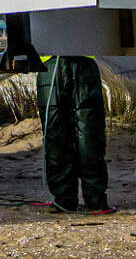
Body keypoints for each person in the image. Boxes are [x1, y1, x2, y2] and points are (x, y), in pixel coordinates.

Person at [36, 51, 109, 212]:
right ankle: (95, 201)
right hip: (80, 63)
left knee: (57, 138)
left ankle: (64, 200)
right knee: (88, 135)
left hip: (50, 67)